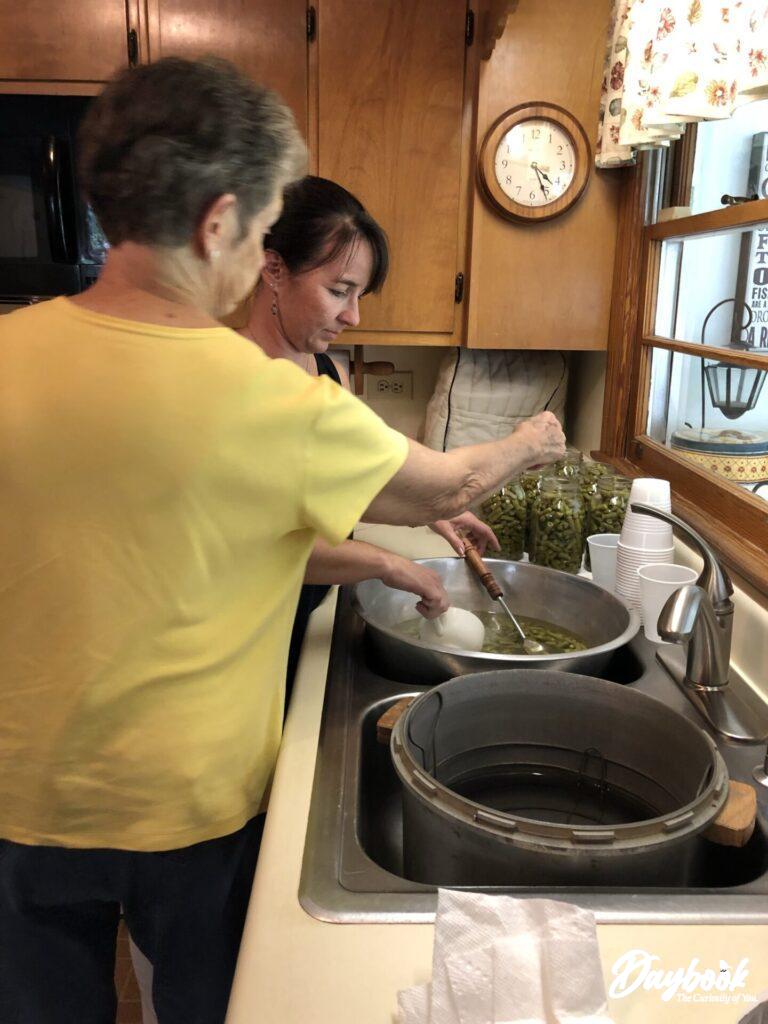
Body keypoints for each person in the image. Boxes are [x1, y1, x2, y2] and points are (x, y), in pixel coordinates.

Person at [0, 57, 564, 1024]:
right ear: (219, 223)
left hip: (20, 800)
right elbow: (452, 482)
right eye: (262, 226)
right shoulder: (271, 396)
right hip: (194, 806)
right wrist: (533, 438)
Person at [238, 175, 499, 703]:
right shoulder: (240, 382)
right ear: (274, 269)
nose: (353, 315)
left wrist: (429, 508)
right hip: (254, 632)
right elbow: (262, 545)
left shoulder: (327, 370)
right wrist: (386, 562)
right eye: (338, 291)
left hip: (315, 612)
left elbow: (345, 480)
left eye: (359, 294)